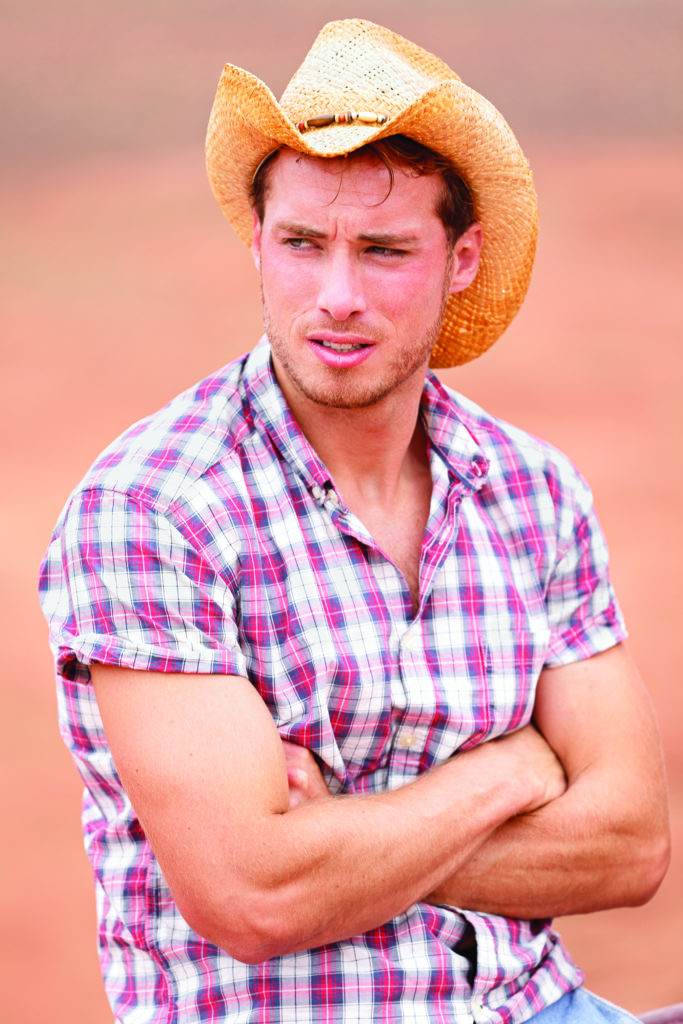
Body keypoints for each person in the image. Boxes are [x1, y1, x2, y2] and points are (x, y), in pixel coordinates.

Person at [38, 18, 669, 1024]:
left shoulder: (531, 491)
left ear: (459, 261)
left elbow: (629, 844)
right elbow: (255, 894)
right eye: (300, 244)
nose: (335, 297)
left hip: (529, 1006)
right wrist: (508, 771)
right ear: (257, 242)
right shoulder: (155, 508)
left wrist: (344, 840)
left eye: (382, 251)